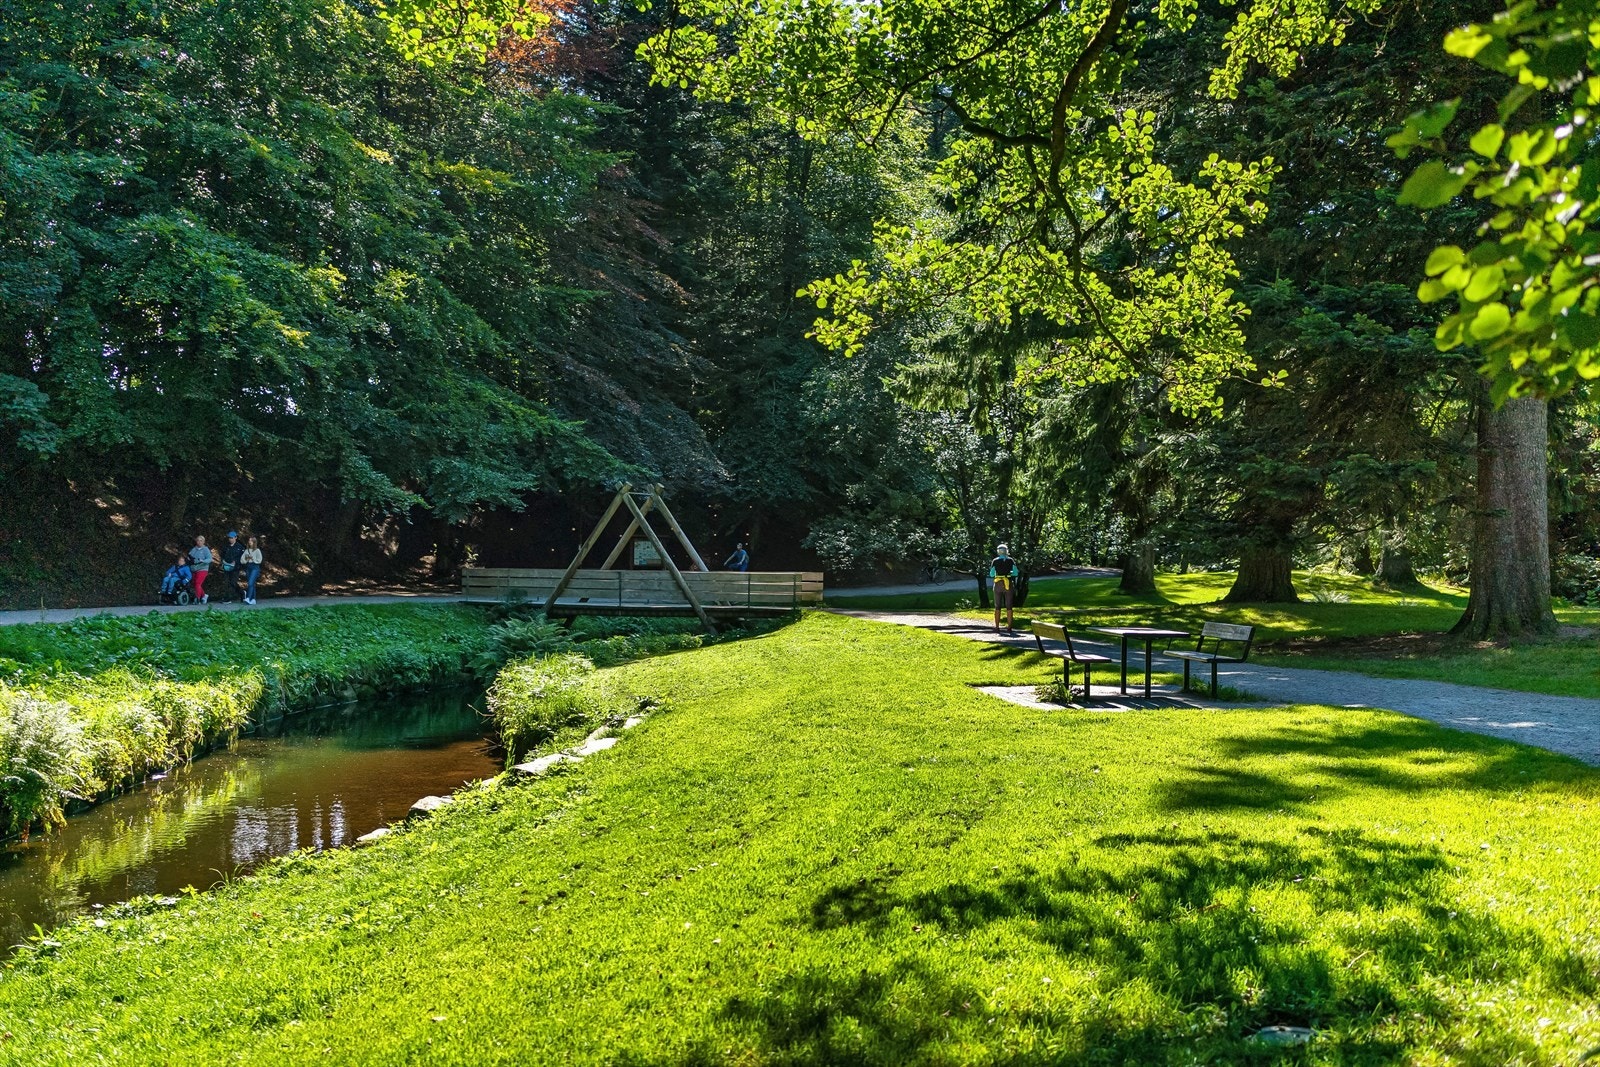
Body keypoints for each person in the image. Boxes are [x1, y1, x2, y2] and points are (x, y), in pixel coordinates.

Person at [989, 543, 1020, 632]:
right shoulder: (1010, 560)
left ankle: (997, 627)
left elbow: (991, 574)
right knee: (1009, 606)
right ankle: (1009, 627)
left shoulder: (995, 561)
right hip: (1008, 583)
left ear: (998, 551)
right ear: (1006, 551)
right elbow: (1015, 573)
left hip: (998, 583)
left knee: (997, 605)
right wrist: (1009, 573)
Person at [218, 530, 246, 601]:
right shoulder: (226, 546)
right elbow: (222, 555)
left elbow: (242, 557)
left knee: (233, 582)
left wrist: (236, 562)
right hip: (227, 566)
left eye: (232, 538)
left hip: (236, 568)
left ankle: (241, 593)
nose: (230, 539)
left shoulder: (240, 547)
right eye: (229, 538)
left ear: (235, 538)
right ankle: (227, 598)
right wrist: (222, 561)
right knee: (227, 582)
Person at [188, 535, 213, 604]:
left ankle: (197, 598)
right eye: (198, 540)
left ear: (203, 542)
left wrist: (203, 561)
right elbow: (189, 556)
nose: (199, 542)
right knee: (194, 583)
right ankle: (204, 595)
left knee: (198, 583)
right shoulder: (194, 549)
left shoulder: (205, 549)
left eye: (201, 540)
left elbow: (209, 559)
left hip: (202, 568)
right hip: (194, 568)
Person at [241, 536, 264, 605]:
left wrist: (253, 559)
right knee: (252, 584)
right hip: (248, 567)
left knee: (250, 582)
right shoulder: (246, 550)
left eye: (251, 541)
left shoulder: (257, 550)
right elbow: (242, 560)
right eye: (249, 541)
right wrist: (247, 559)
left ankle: (248, 597)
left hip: (255, 567)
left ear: (254, 542)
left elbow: (259, 560)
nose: (249, 542)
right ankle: (253, 599)